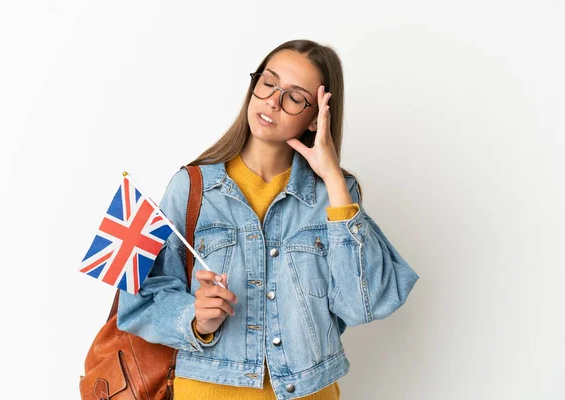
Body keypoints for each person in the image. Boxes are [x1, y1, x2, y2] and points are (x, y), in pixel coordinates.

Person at [117, 39, 419, 399]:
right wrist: (195, 318)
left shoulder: (335, 195)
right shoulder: (192, 187)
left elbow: (363, 304)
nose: (272, 101)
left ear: (315, 118)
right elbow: (137, 303)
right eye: (268, 82)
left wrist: (334, 180)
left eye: (294, 96)